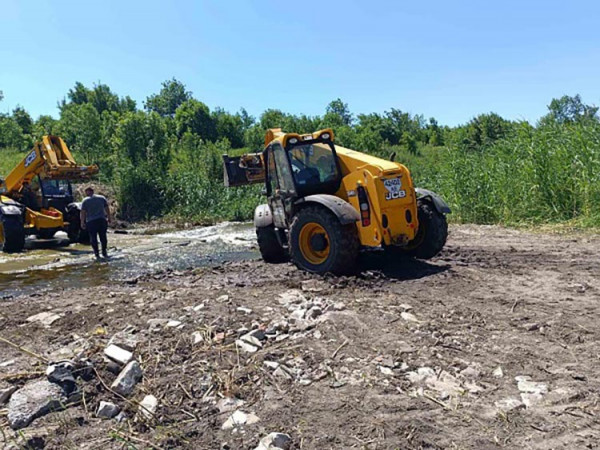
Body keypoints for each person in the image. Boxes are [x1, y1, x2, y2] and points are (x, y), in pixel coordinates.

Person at [80, 186, 110, 259]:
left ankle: (96, 254)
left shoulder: (85, 200)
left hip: (91, 222)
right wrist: (109, 218)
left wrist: (82, 222)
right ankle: (104, 252)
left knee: (93, 238)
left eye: (86, 192)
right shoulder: (102, 198)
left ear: (88, 192)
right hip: (102, 220)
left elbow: (83, 212)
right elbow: (107, 208)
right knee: (103, 237)